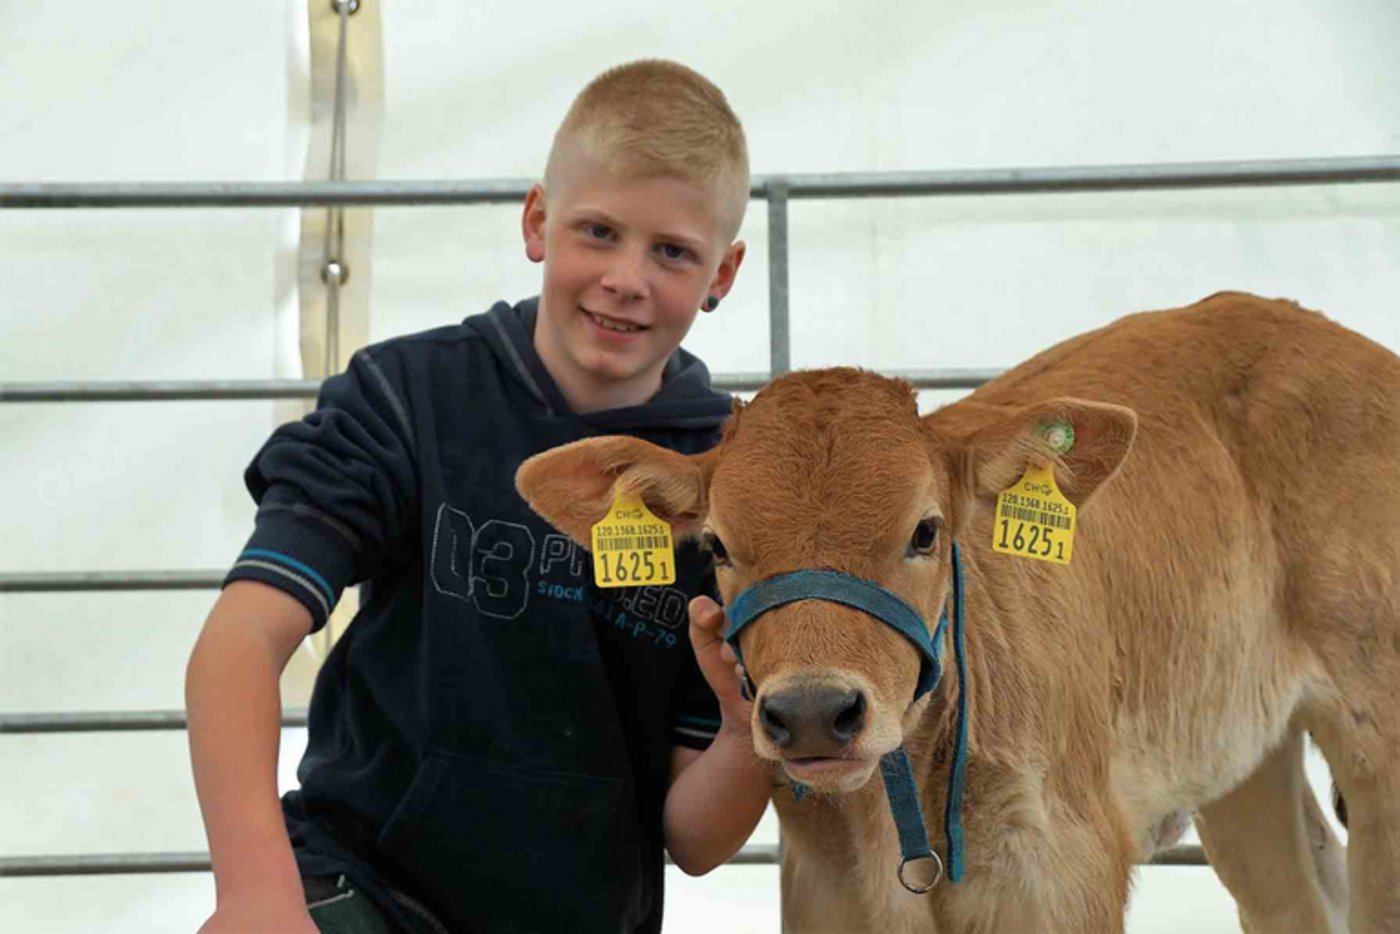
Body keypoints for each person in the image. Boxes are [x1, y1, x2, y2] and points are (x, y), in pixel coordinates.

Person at [186, 59, 772, 934]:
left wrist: (742, 734)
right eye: (598, 231)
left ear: (722, 274)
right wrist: (256, 896)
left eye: (673, 253)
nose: (627, 278)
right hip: (362, 887)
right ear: (538, 222)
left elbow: (693, 840)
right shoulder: (408, 398)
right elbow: (238, 643)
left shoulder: (728, 479)